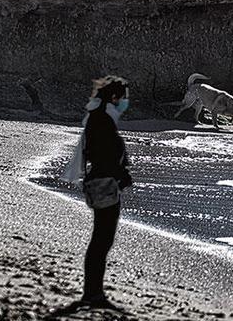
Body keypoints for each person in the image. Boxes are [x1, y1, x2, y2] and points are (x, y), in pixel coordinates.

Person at [80, 75, 133, 309]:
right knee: (102, 241)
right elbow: (103, 154)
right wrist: (121, 174)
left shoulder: (98, 117)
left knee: (100, 241)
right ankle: (93, 293)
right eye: (124, 98)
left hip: (100, 180)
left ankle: (93, 291)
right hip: (104, 183)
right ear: (114, 97)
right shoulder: (101, 119)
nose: (125, 103)